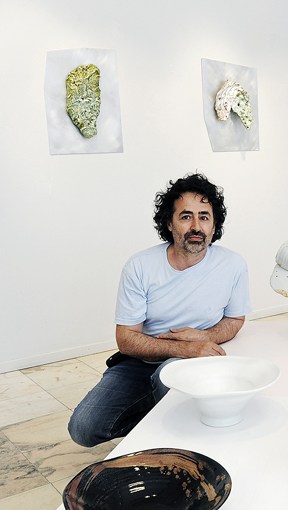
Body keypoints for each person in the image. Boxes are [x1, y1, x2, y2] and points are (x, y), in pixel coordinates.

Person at [68, 173, 251, 447]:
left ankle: (173, 433)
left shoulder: (233, 264)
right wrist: (184, 348)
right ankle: (166, 422)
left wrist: (204, 338)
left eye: (204, 217)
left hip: (193, 361)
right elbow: (126, 338)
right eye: (186, 216)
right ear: (169, 223)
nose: (196, 226)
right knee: (83, 428)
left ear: (214, 225)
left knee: (169, 378)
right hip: (140, 360)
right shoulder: (140, 266)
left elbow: (235, 319)